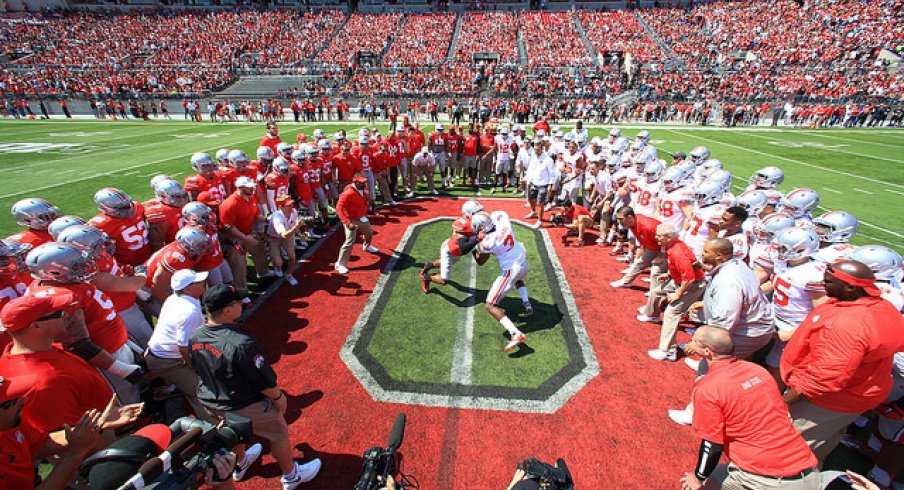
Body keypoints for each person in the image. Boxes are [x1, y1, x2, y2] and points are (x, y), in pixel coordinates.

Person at [189, 285, 322, 487]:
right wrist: (279, 397)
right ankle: (292, 475)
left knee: (233, 432)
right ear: (227, 310)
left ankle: (240, 464)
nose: (241, 304)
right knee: (278, 433)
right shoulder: (240, 343)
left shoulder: (195, 335)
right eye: (237, 303)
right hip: (242, 403)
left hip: (211, 402)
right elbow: (264, 381)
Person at [781, 260, 904, 464]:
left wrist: (784, 402)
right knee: (820, 442)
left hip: (824, 401)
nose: (822, 283)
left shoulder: (849, 325)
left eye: (829, 281)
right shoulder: (881, 306)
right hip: (853, 395)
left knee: (789, 450)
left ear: (850, 287)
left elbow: (823, 379)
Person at [678, 327, 820, 490]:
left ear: (707, 351)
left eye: (694, 340)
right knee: (717, 474)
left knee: (702, 484)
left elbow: (712, 444)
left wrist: (698, 478)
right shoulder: (758, 371)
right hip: (808, 472)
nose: (690, 342)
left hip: (766, 479)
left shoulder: (708, 388)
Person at [0, 293, 143, 434]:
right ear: (36, 326)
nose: (67, 315)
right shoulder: (44, 383)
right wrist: (104, 426)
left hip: (108, 421)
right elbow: (68, 438)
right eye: (59, 312)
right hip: (103, 442)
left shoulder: (31, 351)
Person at [0, 375, 106, 490]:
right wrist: (76, 453)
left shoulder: (10, 424)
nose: (24, 400)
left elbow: (42, 444)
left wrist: (96, 424)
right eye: (13, 400)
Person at [145, 269, 216, 423]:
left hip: (159, 355)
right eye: (199, 282)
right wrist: (194, 367)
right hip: (168, 361)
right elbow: (183, 347)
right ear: (187, 289)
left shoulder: (175, 298)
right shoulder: (189, 311)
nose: (203, 283)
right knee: (203, 392)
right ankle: (216, 433)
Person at [642, 223, 706, 361]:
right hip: (680, 281)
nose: (656, 237)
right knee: (657, 291)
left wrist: (678, 294)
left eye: (659, 236)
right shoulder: (673, 245)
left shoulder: (677, 252)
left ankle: (668, 351)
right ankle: (652, 314)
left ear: (669, 237)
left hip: (692, 285)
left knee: (672, 313)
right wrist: (670, 275)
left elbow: (689, 279)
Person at [471, 211, 532, 352]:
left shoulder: (487, 243)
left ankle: (516, 333)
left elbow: (480, 261)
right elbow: (497, 217)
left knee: (490, 305)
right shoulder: (502, 218)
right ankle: (526, 303)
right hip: (522, 261)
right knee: (518, 280)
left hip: (512, 269)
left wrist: (473, 247)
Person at [219, 176, 272, 290]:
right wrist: (245, 238)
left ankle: (263, 271)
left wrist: (267, 219)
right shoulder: (229, 204)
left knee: (260, 250)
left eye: (252, 187)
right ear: (240, 188)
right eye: (248, 188)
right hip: (232, 238)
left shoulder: (251, 198)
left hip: (248, 231)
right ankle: (241, 290)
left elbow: (256, 214)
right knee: (239, 265)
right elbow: (228, 227)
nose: (252, 189)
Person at [420, 200, 482, 293]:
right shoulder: (464, 224)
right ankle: (427, 278)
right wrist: (478, 239)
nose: (480, 213)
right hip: (450, 249)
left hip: (459, 249)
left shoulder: (473, 221)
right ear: (468, 213)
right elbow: (463, 247)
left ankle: (429, 265)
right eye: (477, 212)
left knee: (448, 262)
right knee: (444, 280)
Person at [610, 206, 664, 289]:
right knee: (639, 263)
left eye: (621, 219)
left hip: (667, 250)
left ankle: (657, 295)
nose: (619, 221)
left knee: (656, 271)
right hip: (654, 246)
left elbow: (665, 242)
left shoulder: (648, 227)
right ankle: (625, 281)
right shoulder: (632, 223)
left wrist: (661, 255)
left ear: (629, 217)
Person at [335, 176, 379, 274]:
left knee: (369, 232)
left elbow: (364, 201)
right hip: (350, 219)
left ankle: (366, 246)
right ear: (356, 183)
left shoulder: (364, 189)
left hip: (361, 217)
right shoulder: (347, 194)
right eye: (362, 183)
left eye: (364, 182)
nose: (364, 184)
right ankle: (340, 264)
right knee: (350, 241)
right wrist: (347, 223)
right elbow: (339, 209)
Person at [266, 196, 303, 286]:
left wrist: (300, 234)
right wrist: (296, 228)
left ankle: (289, 274)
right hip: (274, 238)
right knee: (279, 262)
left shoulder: (293, 212)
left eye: (292, 204)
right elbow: (284, 235)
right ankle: (277, 266)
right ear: (281, 207)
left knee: (292, 256)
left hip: (288, 235)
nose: (291, 207)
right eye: (288, 205)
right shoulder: (277, 218)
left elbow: (293, 224)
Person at [523, 139, 556, 230]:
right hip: (534, 183)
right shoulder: (533, 157)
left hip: (543, 185)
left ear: (542, 149)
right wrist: (526, 178)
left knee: (540, 203)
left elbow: (552, 173)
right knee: (531, 199)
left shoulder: (548, 160)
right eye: (535, 149)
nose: (536, 151)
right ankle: (533, 211)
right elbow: (530, 169)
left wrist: (550, 185)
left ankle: (540, 221)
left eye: (537, 149)